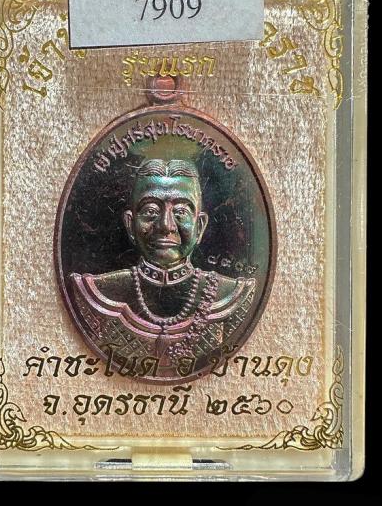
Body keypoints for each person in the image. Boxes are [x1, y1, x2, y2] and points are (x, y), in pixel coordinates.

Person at [69, 159, 255, 374]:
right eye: (150, 211)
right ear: (130, 224)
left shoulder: (232, 296)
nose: (166, 225)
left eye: (181, 212)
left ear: (200, 226)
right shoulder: (96, 294)